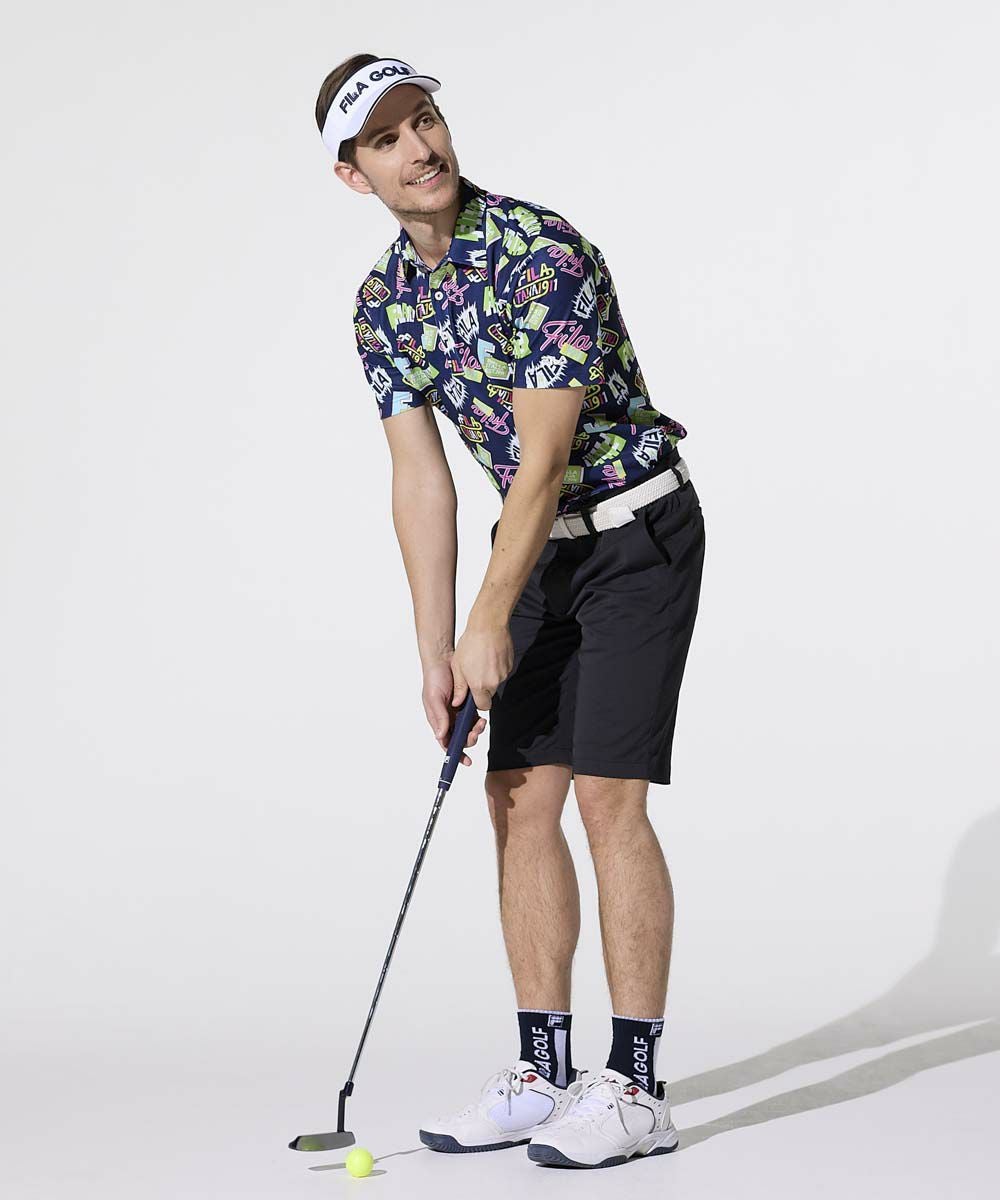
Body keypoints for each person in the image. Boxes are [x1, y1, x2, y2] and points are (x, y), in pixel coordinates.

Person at [315, 54, 706, 1169]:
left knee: (606, 798)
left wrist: (488, 616)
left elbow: (540, 465)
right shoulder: (383, 306)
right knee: (518, 799)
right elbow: (421, 481)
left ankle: (635, 1090)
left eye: (426, 120)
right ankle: (544, 1071)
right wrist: (436, 649)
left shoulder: (542, 253)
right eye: (387, 139)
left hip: (633, 534)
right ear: (354, 176)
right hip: (532, 559)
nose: (420, 148)